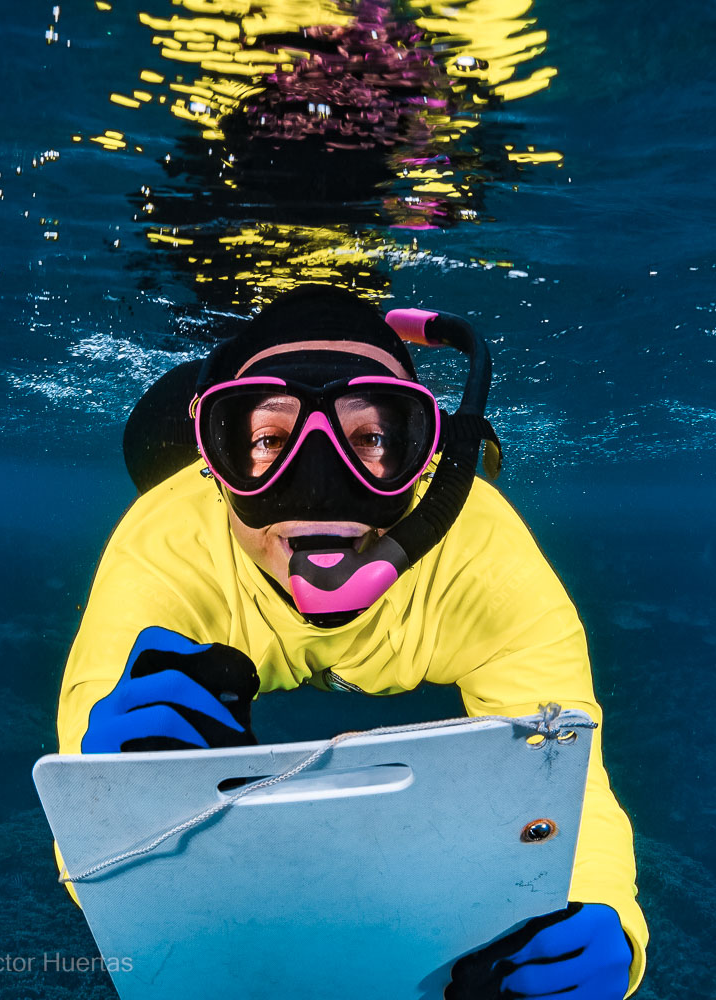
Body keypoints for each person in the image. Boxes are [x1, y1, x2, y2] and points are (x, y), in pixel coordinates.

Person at [55, 285, 648, 998]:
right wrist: (108, 798)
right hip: (184, 482)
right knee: (153, 443)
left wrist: (604, 911)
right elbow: (82, 807)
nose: (318, 491)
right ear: (215, 463)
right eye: (268, 441)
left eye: (370, 438)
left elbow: (570, 771)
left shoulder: (483, 553)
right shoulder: (167, 539)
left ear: (430, 456)